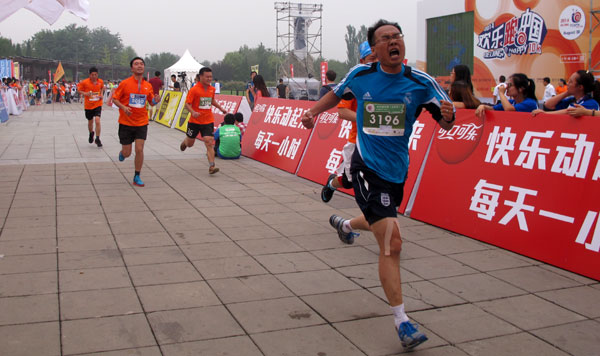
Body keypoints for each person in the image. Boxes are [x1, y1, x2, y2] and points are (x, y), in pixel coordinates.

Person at [301, 19, 455, 350]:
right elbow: (335, 95)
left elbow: (444, 121)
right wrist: (313, 112)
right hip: (366, 165)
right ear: (375, 49)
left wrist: (448, 115)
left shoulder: (420, 81)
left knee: (378, 221)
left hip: (397, 171)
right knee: (392, 242)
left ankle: (344, 224)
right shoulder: (361, 76)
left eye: (396, 36)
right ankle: (403, 322)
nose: (393, 41)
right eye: (385, 38)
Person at [321, 40, 377, 204]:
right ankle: (332, 184)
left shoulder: (388, 84)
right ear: (362, 62)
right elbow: (342, 111)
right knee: (348, 181)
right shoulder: (355, 84)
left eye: (379, 58)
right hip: (357, 141)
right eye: (371, 59)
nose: (376, 63)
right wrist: (367, 120)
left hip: (380, 142)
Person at [112, 57, 161, 187]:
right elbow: (115, 99)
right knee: (127, 152)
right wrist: (123, 107)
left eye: (141, 64)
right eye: (136, 64)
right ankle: (123, 153)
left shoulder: (148, 85)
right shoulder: (125, 83)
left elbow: (151, 102)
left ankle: (137, 175)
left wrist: (157, 100)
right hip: (126, 122)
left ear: (144, 67)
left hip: (141, 122)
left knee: (139, 149)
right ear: (132, 68)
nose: (139, 66)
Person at [179, 67, 228, 174]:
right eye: (207, 77)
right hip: (194, 121)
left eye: (210, 77)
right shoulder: (194, 89)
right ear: (200, 76)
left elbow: (212, 100)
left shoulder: (212, 89)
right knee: (190, 143)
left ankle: (212, 166)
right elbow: (187, 104)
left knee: (209, 141)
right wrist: (193, 112)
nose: (209, 79)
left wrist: (221, 108)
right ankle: (185, 142)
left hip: (208, 120)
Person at [532, 70, 600, 117]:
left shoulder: (591, 103)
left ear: (580, 87)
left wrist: (545, 114)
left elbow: (568, 112)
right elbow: (548, 104)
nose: (567, 84)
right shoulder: (572, 100)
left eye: (570, 82)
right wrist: (567, 93)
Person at [78, 67, 105, 147]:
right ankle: (91, 133)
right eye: (92, 75)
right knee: (90, 122)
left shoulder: (100, 81)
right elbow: (79, 90)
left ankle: (97, 138)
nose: (94, 76)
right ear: (89, 75)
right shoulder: (84, 82)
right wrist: (85, 94)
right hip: (88, 105)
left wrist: (101, 95)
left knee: (97, 120)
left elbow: (102, 88)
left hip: (98, 103)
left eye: (95, 75)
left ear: (97, 75)